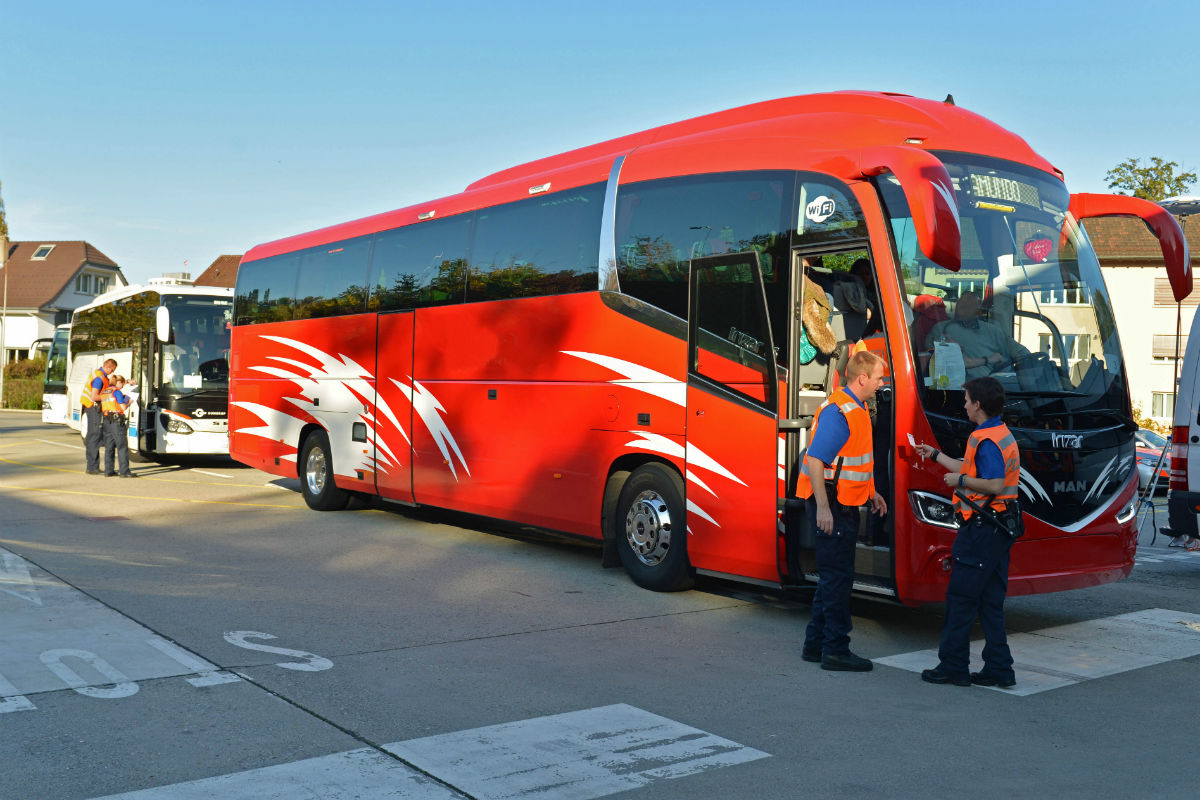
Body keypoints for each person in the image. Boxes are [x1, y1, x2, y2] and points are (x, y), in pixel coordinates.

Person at [914, 376, 1020, 688]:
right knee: (989, 602)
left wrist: (958, 483)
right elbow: (971, 469)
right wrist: (934, 455)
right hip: (998, 528)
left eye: (966, 399)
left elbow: (993, 483)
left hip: (981, 528)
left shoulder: (986, 440)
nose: (963, 404)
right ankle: (1000, 669)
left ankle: (953, 666)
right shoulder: (998, 434)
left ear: (977, 405)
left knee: (961, 599)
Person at [796, 350, 889, 671]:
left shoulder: (856, 406)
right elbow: (815, 460)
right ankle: (835, 649)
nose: (881, 384)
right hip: (833, 505)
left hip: (842, 502)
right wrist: (823, 508)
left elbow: (851, 459)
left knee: (832, 578)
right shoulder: (841, 412)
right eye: (879, 378)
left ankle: (815, 644)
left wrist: (872, 491)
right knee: (838, 580)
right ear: (862, 378)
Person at [924, 291, 1029, 379]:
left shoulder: (993, 331)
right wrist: (987, 360)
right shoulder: (941, 329)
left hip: (999, 388)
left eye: (970, 305)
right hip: (963, 391)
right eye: (962, 304)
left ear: (978, 310)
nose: (965, 307)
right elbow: (939, 361)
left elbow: (1023, 354)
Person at [81, 358, 117, 474]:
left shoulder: (100, 375)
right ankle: (92, 467)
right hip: (93, 407)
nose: (112, 372)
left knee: (95, 435)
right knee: (94, 435)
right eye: (113, 370)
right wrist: (108, 398)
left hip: (92, 407)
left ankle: (93, 466)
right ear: (108, 367)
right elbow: (94, 396)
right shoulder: (99, 379)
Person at [101, 375, 137, 478]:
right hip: (117, 421)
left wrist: (127, 381)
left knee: (109, 447)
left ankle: (108, 471)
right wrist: (129, 402)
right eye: (121, 383)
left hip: (107, 421)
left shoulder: (106, 391)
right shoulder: (117, 392)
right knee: (122, 446)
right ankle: (124, 471)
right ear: (118, 383)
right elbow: (123, 407)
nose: (122, 386)